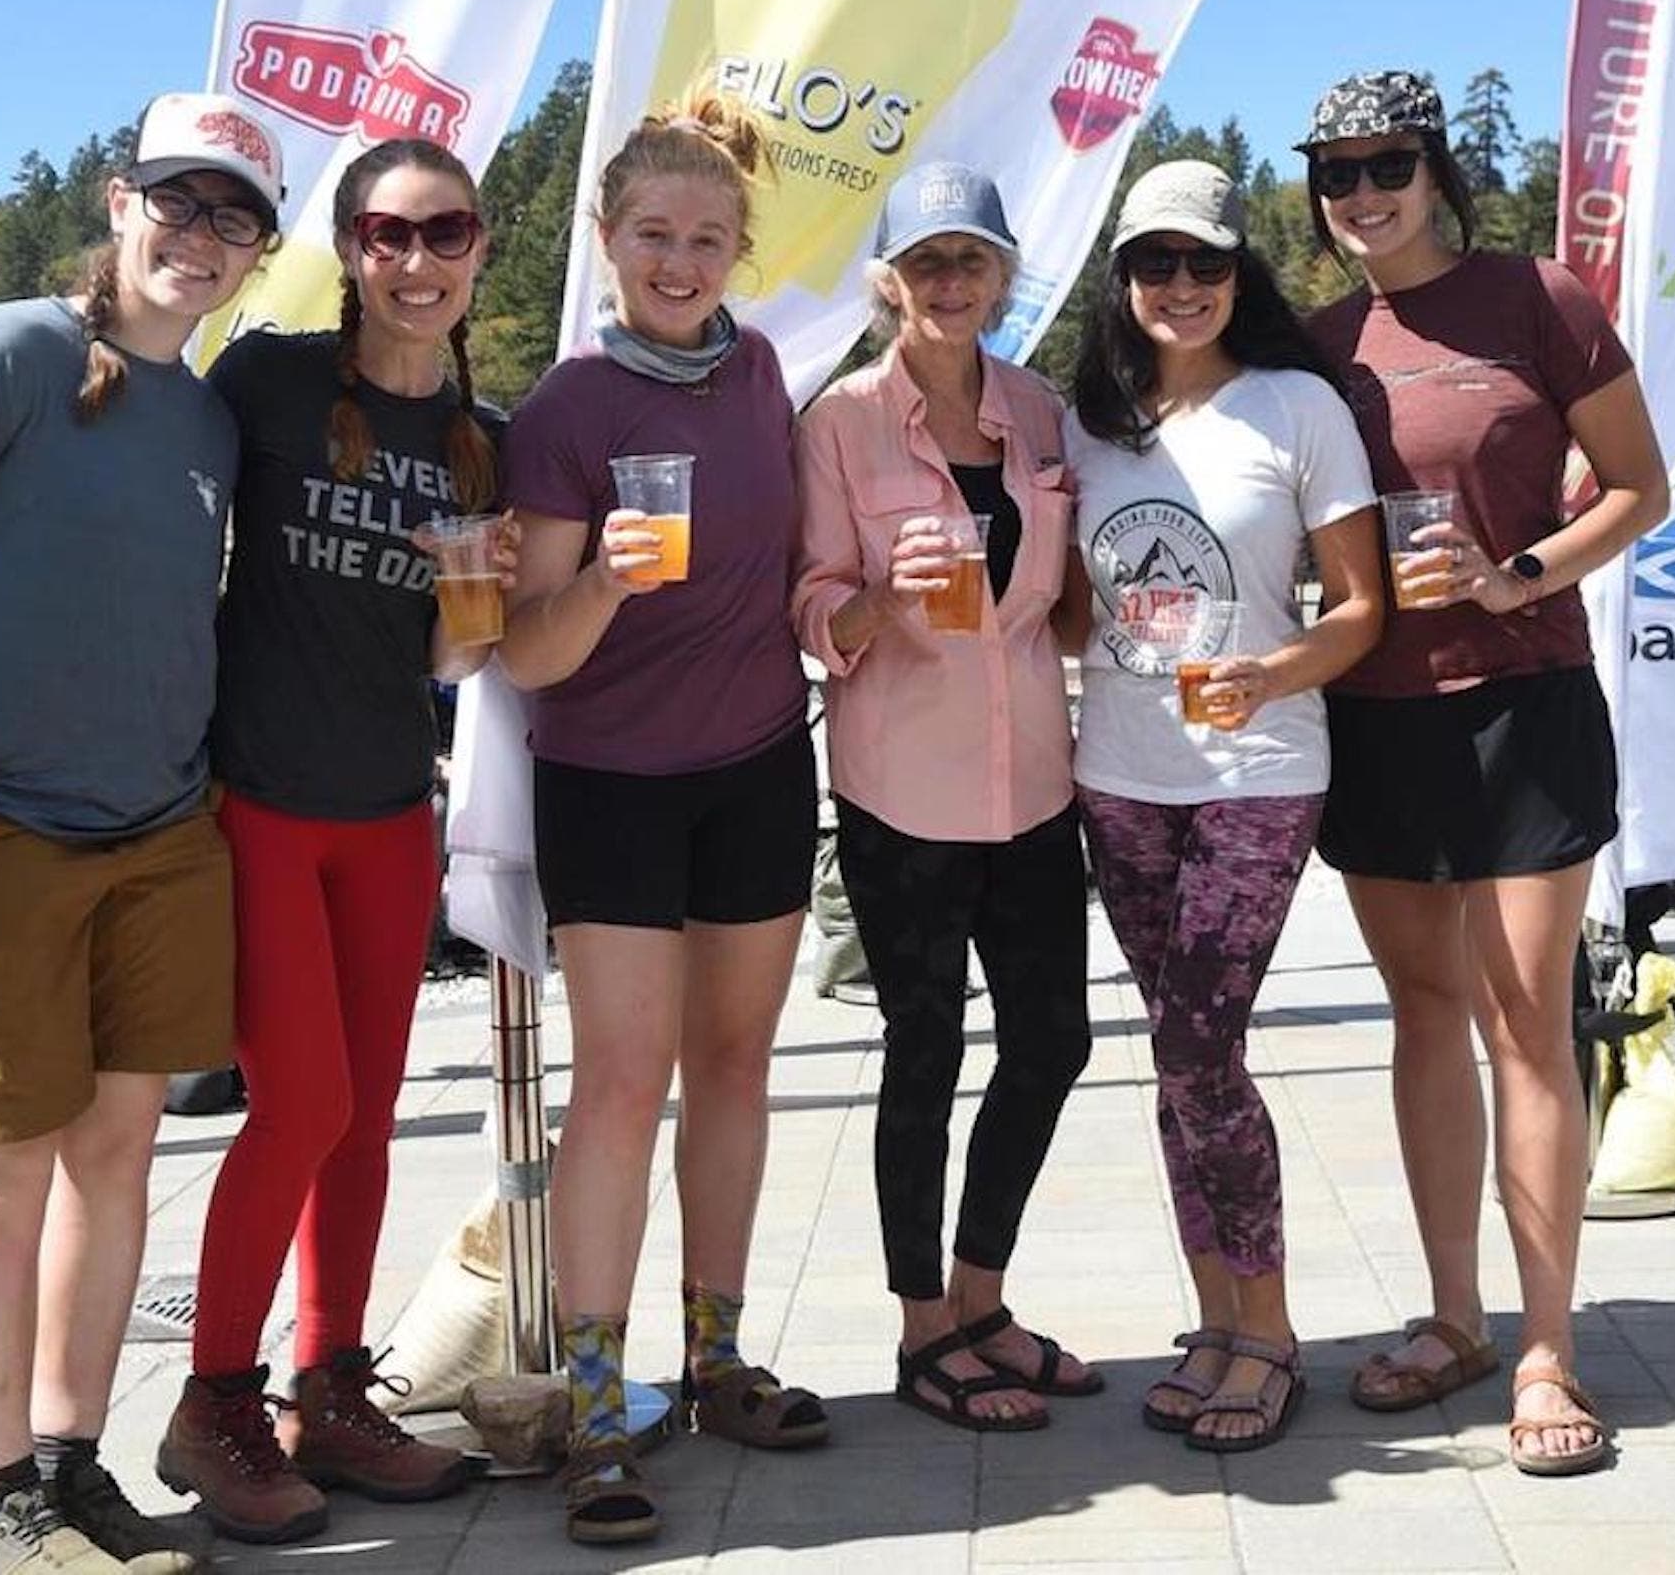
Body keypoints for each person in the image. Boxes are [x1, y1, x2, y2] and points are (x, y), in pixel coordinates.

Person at [0, 94, 285, 1574]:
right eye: (179, 201)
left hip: (162, 829)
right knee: (6, 1162)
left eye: (235, 217)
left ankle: (75, 1464)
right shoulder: (6, 354)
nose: (199, 238)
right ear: (116, 201)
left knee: (119, 1152)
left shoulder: (207, 414)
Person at [1295, 69, 1670, 1478]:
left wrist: (1516, 576)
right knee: (1423, 1011)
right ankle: (1452, 1314)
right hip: (1381, 712)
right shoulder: (1320, 340)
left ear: (1434, 165)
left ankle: (1547, 1346)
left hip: (1523, 700)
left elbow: (1641, 487)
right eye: (1335, 171)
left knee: (1527, 1020)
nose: (1361, 192)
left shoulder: (1540, 299)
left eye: (1386, 162)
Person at [152, 137, 514, 1543]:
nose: (415, 260)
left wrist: (469, 604)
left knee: (361, 1116)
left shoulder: (483, 436)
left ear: (480, 250)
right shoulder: (269, 379)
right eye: (386, 232)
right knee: (296, 1103)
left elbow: (452, 657)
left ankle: (329, 1387)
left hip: (389, 809)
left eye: (445, 233)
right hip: (257, 802)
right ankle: (214, 1400)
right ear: (349, 247)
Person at [495, 87, 822, 1546]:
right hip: (612, 776)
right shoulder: (568, 407)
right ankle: (594, 1395)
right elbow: (526, 650)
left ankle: (716, 1355)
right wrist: (612, 580)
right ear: (607, 239)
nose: (679, 260)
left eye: (706, 237)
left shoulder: (760, 377)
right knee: (622, 1081)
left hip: (758, 758)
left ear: (741, 247)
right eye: (652, 235)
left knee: (739, 1061)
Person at [1064, 160, 1385, 1453]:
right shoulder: (1090, 422)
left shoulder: (1297, 405)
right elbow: (1074, 611)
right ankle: (1214, 1313)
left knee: (1201, 1043)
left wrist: (1272, 668)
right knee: (1175, 1047)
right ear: (1123, 280)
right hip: (1121, 772)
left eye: (1205, 262)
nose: (1182, 286)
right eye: (1156, 264)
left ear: (1239, 272)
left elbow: (1363, 611)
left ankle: (1270, 1327)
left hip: (1260, 771)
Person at [792, 163, 1097, 1434]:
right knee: (925, 1047)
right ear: (889, 282)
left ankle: (981, 1295)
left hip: (1030, 772)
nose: (950, 282)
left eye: (971, 259)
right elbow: (812, 613)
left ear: (1003, 275)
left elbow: (1068, 599)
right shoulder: (841, 421)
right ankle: (921, 1327)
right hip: (899, 784)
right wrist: (878, 599)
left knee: (1054, 1041)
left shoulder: (1038, 410)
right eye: (926, 263)